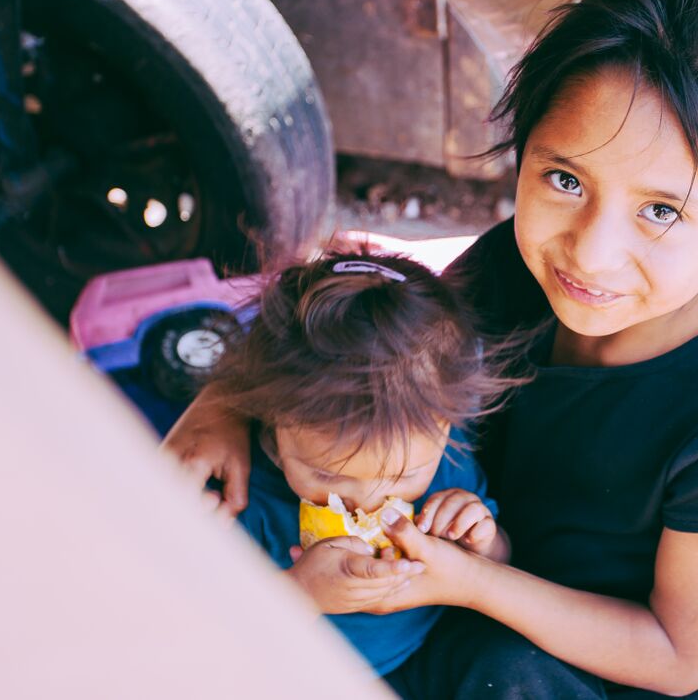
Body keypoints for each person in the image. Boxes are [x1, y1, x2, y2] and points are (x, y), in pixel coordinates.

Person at [167, 0, 698, 698]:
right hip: (436, 577)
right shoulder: (517, 269)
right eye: (566, 179)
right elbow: (369, 355)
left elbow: (677, 655)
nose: (592, 251)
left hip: (558, 655)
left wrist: (474, 581)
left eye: (661, 211)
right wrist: (220, 406)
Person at [198, 252, 517, 677]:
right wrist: (300, 591)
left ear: (445, 431)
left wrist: (484, 542)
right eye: (328, 475)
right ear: (272, 423)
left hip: (419, 656)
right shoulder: (242, 493)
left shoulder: (446, 470)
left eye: (402, 476)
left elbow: (500, 565)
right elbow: (209, 628)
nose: (364, 502)